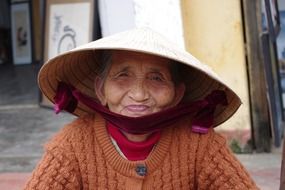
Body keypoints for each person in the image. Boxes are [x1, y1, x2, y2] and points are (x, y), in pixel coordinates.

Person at [24, 28, 258, 189]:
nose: (138, 94)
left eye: (156, 78)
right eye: (122, 75)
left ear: (176, 94)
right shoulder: (72, 145)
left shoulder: (199, 145)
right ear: (100, 89)